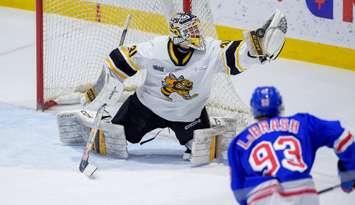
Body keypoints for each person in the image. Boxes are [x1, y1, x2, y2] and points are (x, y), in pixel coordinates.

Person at [58, 10, 288, 161]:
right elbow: (117, 58)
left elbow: (234, 55)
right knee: (114, 143)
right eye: (191, 32)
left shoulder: (209, 50)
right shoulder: (155, 49)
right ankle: (89, 120)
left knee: (203, 154)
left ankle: (205, 128)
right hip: (145, 108)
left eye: (196, 30)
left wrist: (255, 48)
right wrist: (109, 84)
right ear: (179, 35)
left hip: (188, 115)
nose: (197, 34)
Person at [227, 86, 355, 205]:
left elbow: (238, 189)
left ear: (253, 109)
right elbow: (343, 137)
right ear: (280, 106)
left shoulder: (238, 143)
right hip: (304, 192)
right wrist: (349, 174)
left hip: (263, 196)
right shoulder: (304, 123)